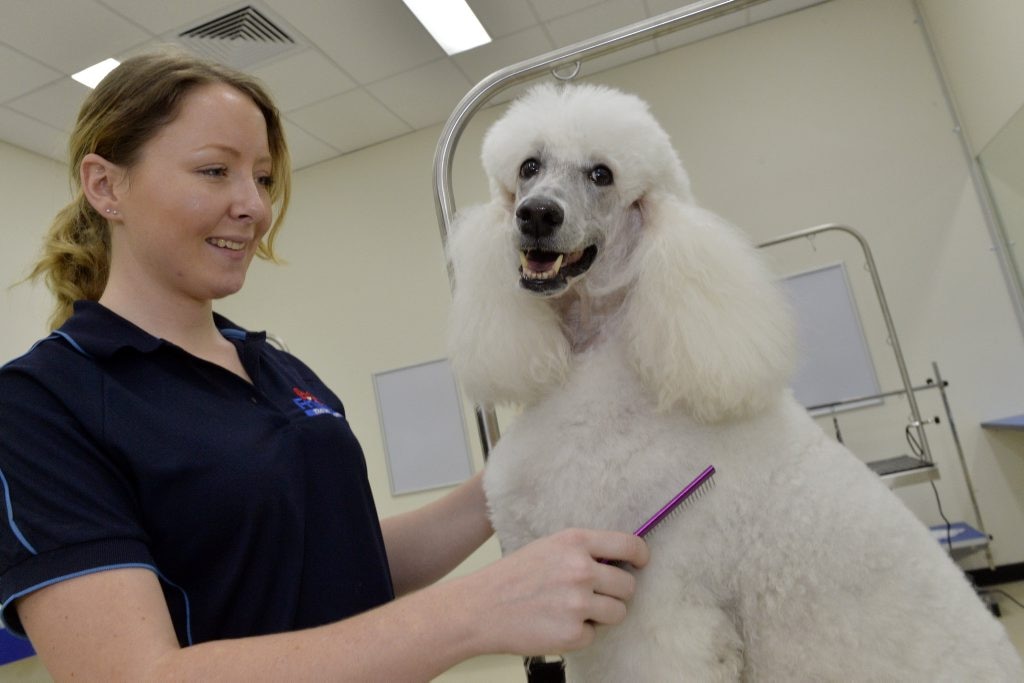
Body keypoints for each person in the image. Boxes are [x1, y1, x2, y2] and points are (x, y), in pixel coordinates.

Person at [0, 50, 648, 680]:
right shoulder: (44, 402)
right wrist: (475, 610)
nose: (253, 207)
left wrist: (520, 469)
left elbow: (341, 566)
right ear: (106, 185)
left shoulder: (274, 367)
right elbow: (137, 674)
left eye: (261, 177)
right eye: (213, 171)